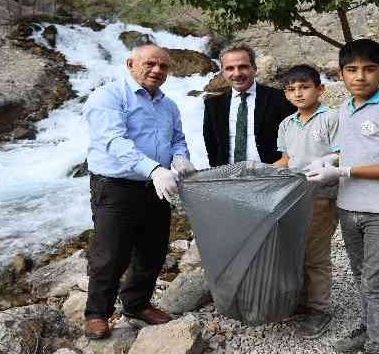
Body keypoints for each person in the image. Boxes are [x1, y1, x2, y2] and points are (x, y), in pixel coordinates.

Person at [306, 39, 379, 353]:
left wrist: (344, 172)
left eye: (369, 69)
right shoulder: (345, 108)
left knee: (377, 281)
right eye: (352, 70)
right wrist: (330, 161)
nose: (360, 77)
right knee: (361, 275)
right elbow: (347, 150)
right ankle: (369, 328)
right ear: (341, 74)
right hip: (348, 206)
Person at [82, 42, 196, 339]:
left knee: (153, 249)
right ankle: (97, 313)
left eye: (164, 66)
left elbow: (178, 138)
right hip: (116, 186)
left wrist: (180, 157)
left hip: (156, 186)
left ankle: (136, 303)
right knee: (110, 254)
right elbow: (113, 142)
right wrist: (154, 169)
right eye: (150, 64)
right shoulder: (108, 96)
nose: (157, 70)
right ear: (131, 64)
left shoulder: (168, 105)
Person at [273, 64, 340, 339]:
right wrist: (260, 169)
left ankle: (320, 309)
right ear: (286, 94)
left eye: (305, 87)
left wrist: (329, 162)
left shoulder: (331, 118)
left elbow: (341, 153)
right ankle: (301, 301)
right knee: (295, 252)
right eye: (291, 89)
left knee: (315, 255)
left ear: (320, 89)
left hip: (321, 197)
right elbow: (286, 161)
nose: (298, 93)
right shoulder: (287, 124)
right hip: (292, 197)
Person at [203, 44, 296, 167]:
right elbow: (211, 144)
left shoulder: (280, 99)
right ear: (223, 72)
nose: (237, 73)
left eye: (243, 67)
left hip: (272, 175)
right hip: (228, 177)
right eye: (230, 68)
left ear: (254, 68)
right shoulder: (213, 104)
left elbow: (295, 140)